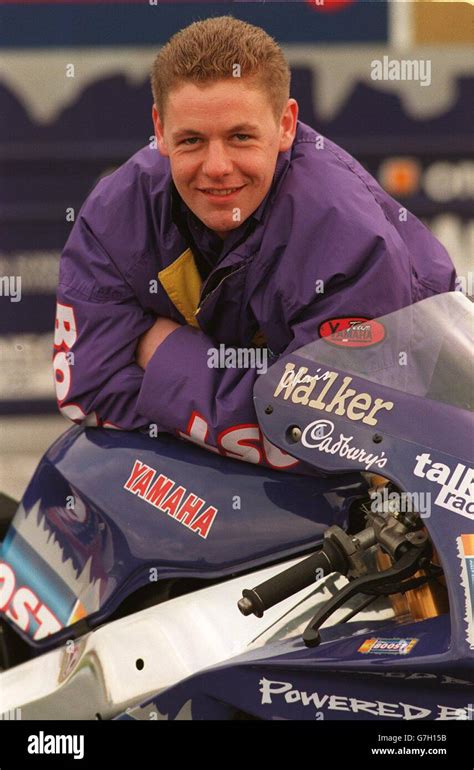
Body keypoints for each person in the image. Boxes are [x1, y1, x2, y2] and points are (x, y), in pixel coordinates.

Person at [54, 16, 456, 470]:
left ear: (285, 125)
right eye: (191, 140)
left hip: (424, 467)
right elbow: (87, 392)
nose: (217, 166)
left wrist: (162, 353)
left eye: (240, 137)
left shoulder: (348, 238)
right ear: (160, 129)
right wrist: (255, 401)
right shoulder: (115, 212)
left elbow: (335, 441)